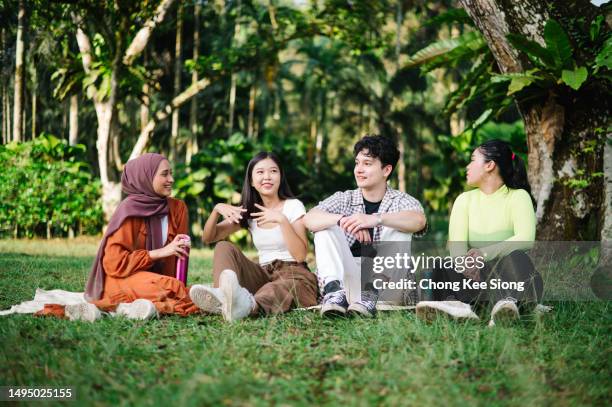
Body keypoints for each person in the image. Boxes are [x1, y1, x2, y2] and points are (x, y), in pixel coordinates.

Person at [415, 139, 543, 325]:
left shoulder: (518, 196)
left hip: (511, 277)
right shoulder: (464, 200)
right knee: (440, 265)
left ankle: (508, 306)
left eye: (473, 160)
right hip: (476, 279)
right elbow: (456, 246)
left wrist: (481, 255)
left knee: (515, 257)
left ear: (490, 165)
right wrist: (465, 264)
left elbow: (525, 240)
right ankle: (458, 306)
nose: (468, 166)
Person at [302, 135, 427, 318]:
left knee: (398, 226)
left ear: (386, 170)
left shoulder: (402, 201)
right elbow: (309, 218)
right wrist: (343, 219)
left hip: (388, 288)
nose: (359, 170)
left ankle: (371, 294)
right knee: (325, 226)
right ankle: (334, 293)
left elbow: (418, 221)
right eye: (357, 163)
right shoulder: (345, 199)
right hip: (349, 287)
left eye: (367, 164)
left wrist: (375, 219)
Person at [67, 153, 199, 321]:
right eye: (165, 174)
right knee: (169, 288)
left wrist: (171, 281)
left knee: (171, 286)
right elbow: (113, 263)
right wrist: (158, 253)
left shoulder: (178, 209)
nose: (171, 179)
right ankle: (204, 300)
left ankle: (130, 309)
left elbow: (177, 265)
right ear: (146, 177)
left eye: (171, 173)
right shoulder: (129, 210)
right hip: (122, 278)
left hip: (155, 281)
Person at [190, 152, 318, 322]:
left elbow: (301, 255)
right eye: (260, 172)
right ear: (251, 180)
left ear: (280, 177)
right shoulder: (249, 213)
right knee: (223, 247)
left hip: (294, 275)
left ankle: (249, 306)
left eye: (273, 171)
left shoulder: (293, 206)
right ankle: (222, 296)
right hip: (263, 273)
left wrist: (282, 220)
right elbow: (209, 238)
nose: (267, 177)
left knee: (276, 289)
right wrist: (216, 209)